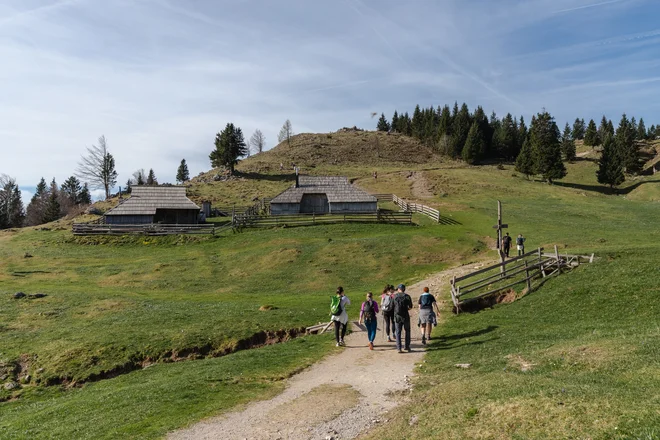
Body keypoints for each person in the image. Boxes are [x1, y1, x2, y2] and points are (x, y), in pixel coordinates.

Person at [393, 284, 413, 353]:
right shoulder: (407, 296)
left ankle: (399, 348)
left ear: (399, 289)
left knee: (398, 332)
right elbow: (410, 306)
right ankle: (407, 346)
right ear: (404, 289)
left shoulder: (395, 296)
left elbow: (392, 306)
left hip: (397, 316)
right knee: (407, 331)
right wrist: (406, 309)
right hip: (405, 316)